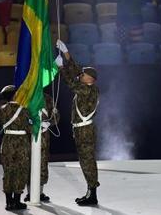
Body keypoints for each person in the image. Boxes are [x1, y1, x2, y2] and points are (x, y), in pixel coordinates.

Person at [55, 40, 100, 206]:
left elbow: (71, 82)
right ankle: (90, 192)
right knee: (84, 161)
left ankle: (92, 194)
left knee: (87, 161)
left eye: (83, 74)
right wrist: (66, 53)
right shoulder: (87, 86)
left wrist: (61, 68)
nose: (80, 75)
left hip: (85, 131)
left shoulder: (87, 89)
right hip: (82, 131)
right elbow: (75, 72)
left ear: (90, 79)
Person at [0, 85, 32, 210]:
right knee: (20, 172)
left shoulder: (1, 109)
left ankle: (8, 202)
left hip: (7, 142)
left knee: (8, 172)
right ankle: (17, 201)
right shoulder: (24, 110)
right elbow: (29, 128)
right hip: (21, 143)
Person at [24, 93, 60, 202]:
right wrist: (29, 124)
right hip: (29, 135)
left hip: (44, 135)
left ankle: (40, 192)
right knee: (29, 162)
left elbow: (56, 115)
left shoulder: (48, 98)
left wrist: (49, 123)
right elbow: (20, 115)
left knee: (43, 162)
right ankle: (30, 192)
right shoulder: (25, 97)